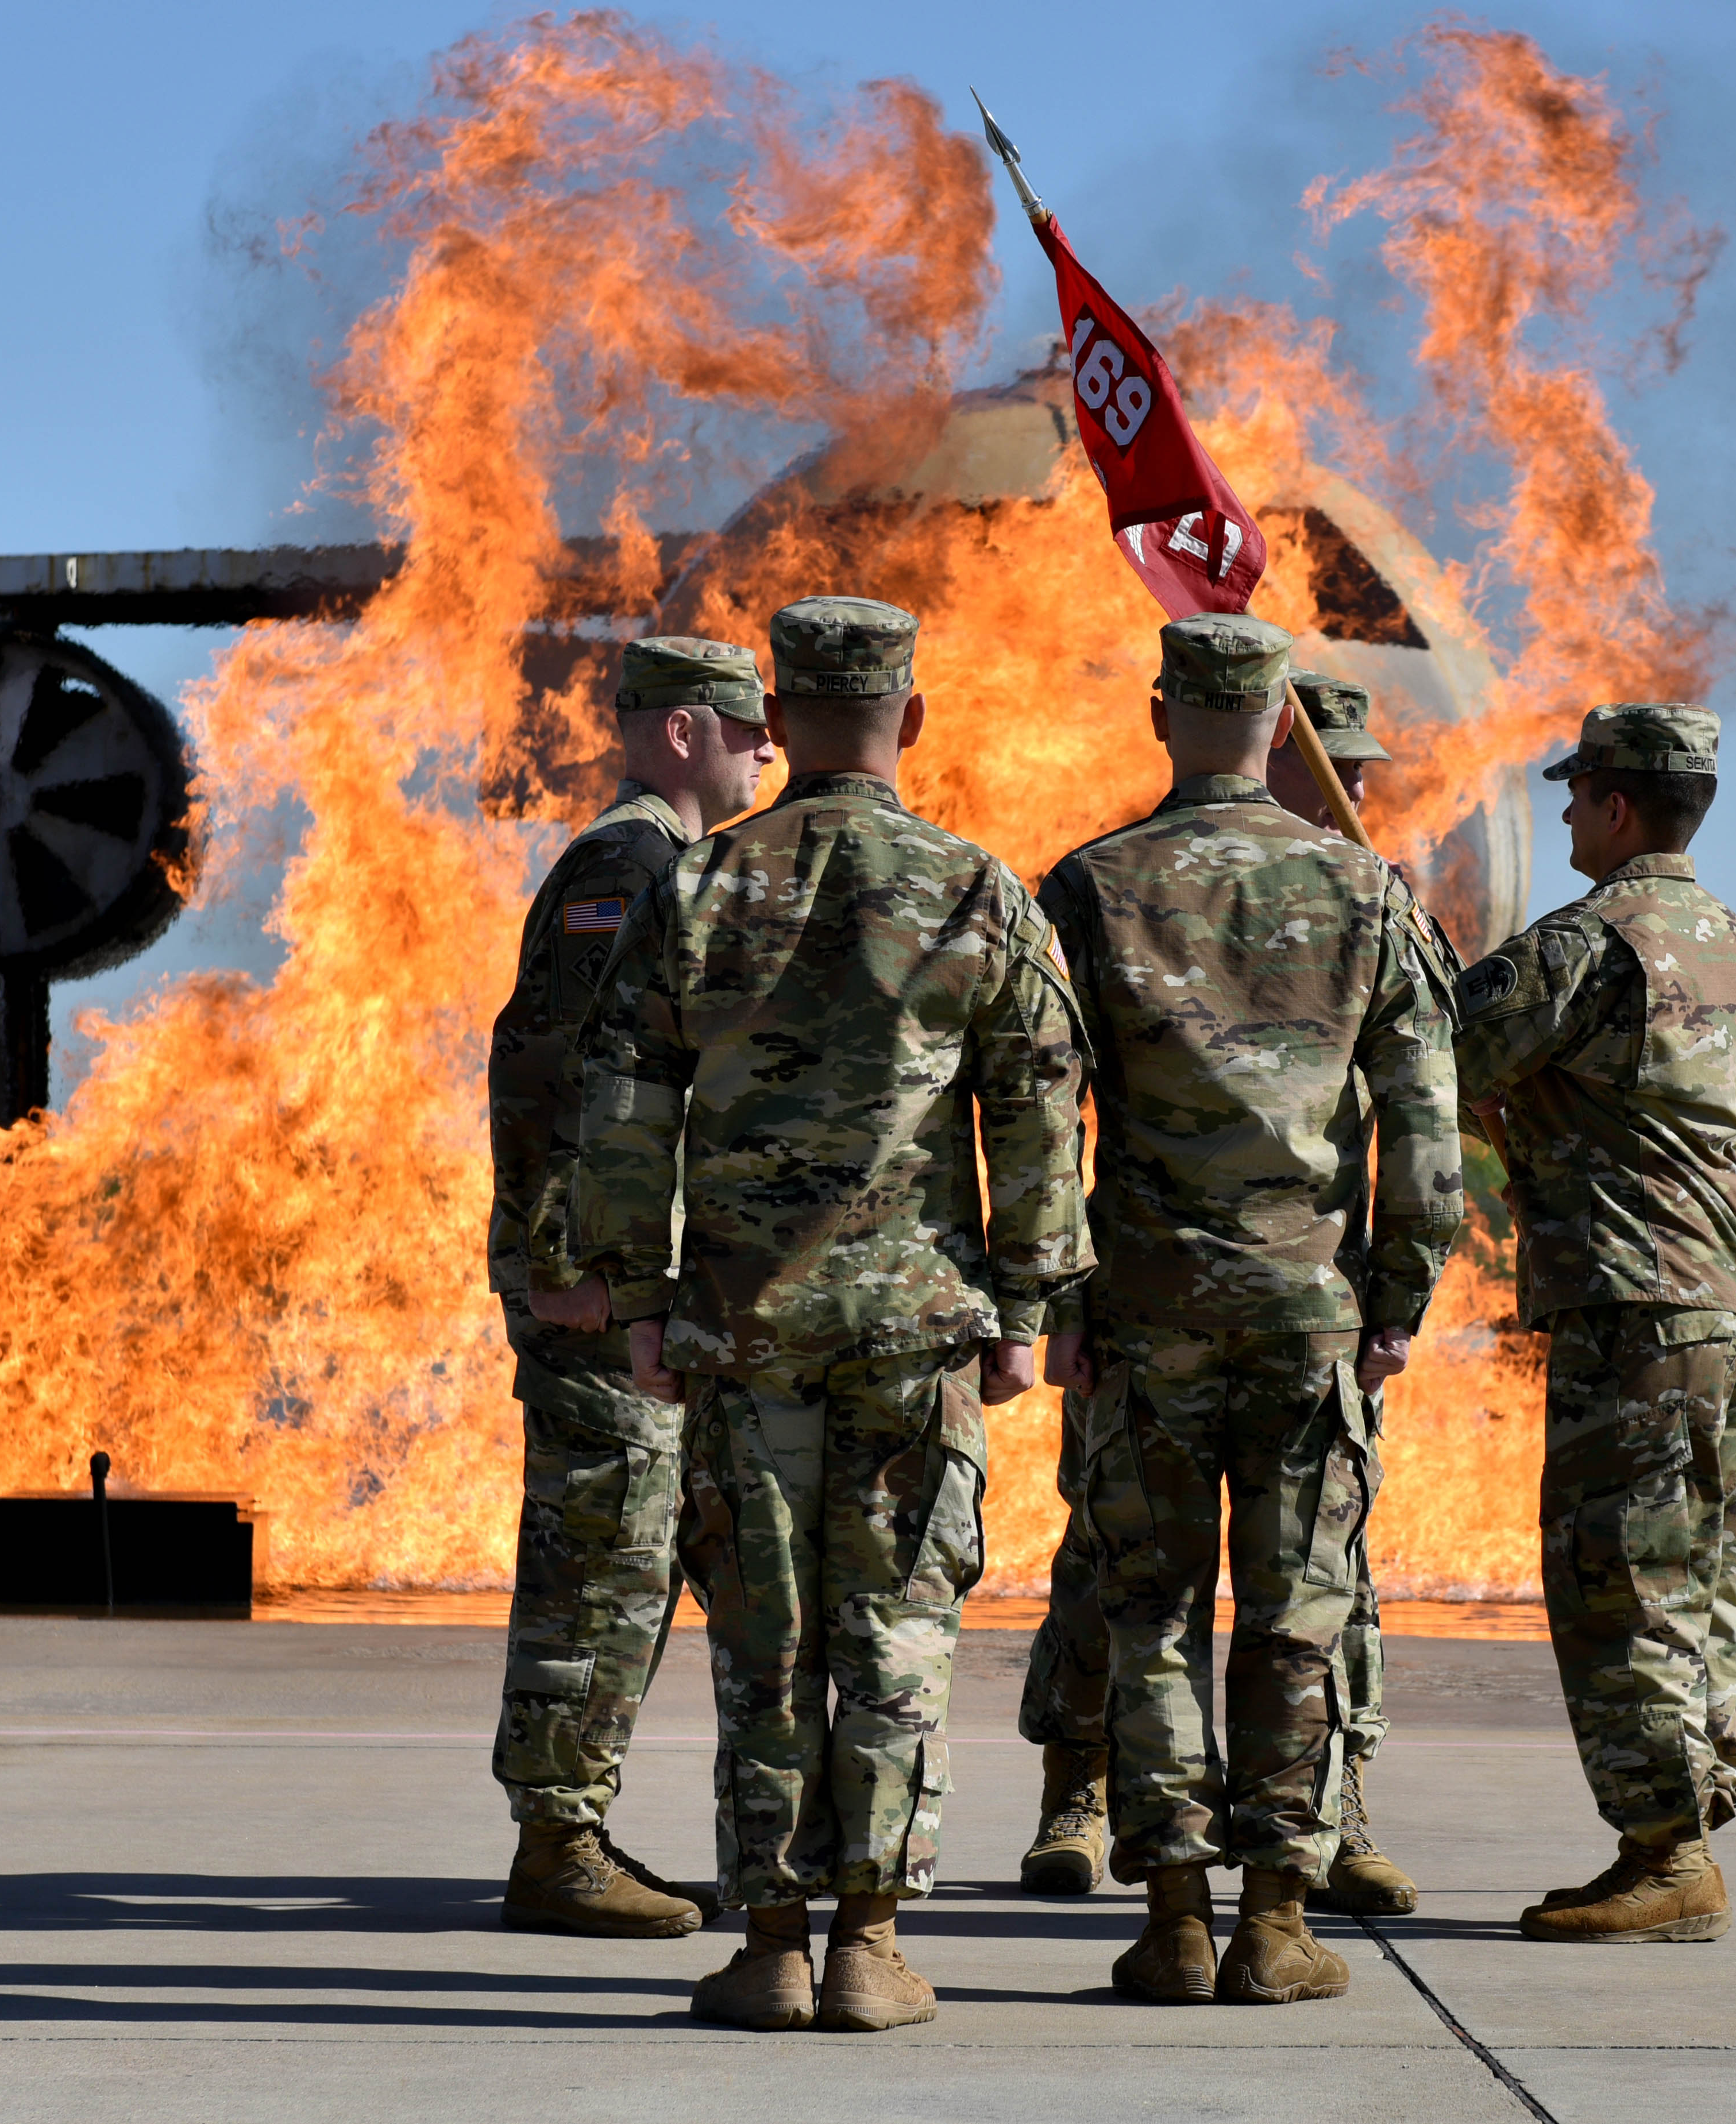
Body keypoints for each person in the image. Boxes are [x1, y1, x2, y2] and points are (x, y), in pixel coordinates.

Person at [547, 595, 1092, 2033]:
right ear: (908, 719)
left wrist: (640, 1300)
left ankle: (773, 1942)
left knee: (763, 1639)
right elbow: (1039, 1109)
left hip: (743, 1333)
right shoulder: (979, 891)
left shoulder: (699, 885)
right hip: (917, 1337)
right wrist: (1029, 1303)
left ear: (775, 723)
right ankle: (872, 1943)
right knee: (899, 1630)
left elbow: (621, 1103)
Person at [1034, 614, 1462, 2006]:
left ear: (1165, 714)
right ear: (1285, 722)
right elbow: (1424, 1126)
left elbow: (1038, 1113)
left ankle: (1168, 1914)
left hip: (1148, 1311)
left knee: (1149, 1613)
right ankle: (1276, 1921)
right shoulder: (1367, 890)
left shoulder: (1090, 889)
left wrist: (1053, 1291)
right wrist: (1395, 1294)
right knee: (1296, 1613)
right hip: (1306, 1311)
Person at [1450, 702, 1736, 1945]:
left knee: (1615, 1579)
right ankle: (1683, 1819)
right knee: (1693, 1579)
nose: (1561, 811)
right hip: (1731, 1306)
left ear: (1613, 803)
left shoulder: (1586, 945)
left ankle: (1666, 1849)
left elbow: (1438, 1047)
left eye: (1575, 790)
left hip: (1634, 1305)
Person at [491, 635, 774, 1940]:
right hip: (599, 1292)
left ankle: (579, 1827)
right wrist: (572, 1270)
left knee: (638, 1553)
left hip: (633, 1281)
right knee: (596, 1558)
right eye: (748, 726)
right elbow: (554, 1075)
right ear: (682, 731)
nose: (769, 749)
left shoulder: (668, 863)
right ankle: (555, 1842)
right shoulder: (629, 866)